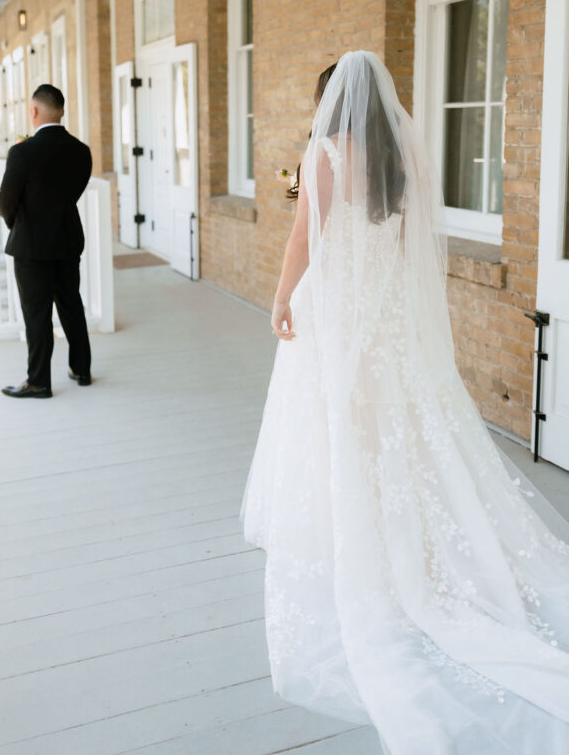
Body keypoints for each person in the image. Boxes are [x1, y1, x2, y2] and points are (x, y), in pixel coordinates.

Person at [240, 51, 569, 754]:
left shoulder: (325, 152)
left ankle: (355, 537)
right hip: (386, 314)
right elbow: (409, 245)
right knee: (398, 428)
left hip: (337, 311)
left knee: (343, 426)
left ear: (331, 104)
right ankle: (406, 530)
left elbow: (305, 236)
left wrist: (278, 297)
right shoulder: (405, 157)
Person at [0, 83, 93, 398]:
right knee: (71, 305)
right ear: (61, 111)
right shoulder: (81, 151)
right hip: (67, 240)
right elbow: (72, 194)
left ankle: (38, 380)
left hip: (31, 247)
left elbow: (6, 201)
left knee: (37, 314)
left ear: (34, 111)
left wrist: (19, 225)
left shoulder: (22, 152)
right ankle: (81, 369)